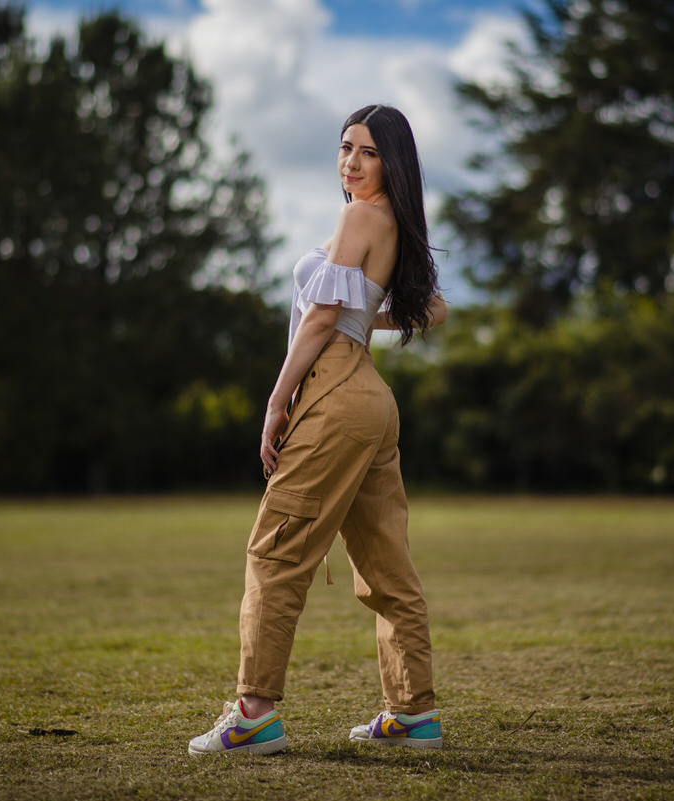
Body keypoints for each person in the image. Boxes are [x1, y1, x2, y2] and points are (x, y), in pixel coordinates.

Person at [188, 104, 447, 756]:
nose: (350, 163)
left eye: (366, 152)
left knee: (273, 553)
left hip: (332, 394)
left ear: (392, 161)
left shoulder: (360, 215)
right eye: (344, 149)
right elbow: (428, 308)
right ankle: (413, 714)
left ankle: (253, 713)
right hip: (370, 400)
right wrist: (362, 321)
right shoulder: (394, 223)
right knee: (388, 566)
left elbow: (322, 315)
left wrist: (277, 400)